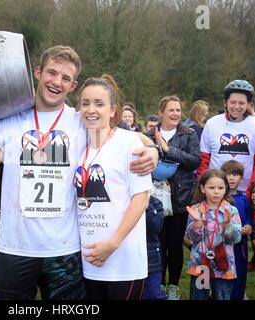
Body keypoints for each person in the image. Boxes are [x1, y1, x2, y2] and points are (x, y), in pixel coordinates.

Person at [0, 45, 158, 300]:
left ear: (73, 85)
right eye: (52, 73)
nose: (57, 82)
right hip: (15, 249)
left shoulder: (80, 120)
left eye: (65, 78)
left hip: (64, 251)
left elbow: (120, 136)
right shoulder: (8, 120)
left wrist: (151, 148)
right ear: (38, 72)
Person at [73, 75, 151, 300]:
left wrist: (113, 243)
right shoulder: (81, 148)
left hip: (123, 261)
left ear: (112, 110)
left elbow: (141, 199)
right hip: (90, 262)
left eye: (99, 104)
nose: (91, 109)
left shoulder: (129, 143)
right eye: (85, 103)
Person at [146, 95, 201, 300]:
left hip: (180, 198)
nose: (176, 114)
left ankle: (174, 286)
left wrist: (170, 150)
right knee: (157, 243)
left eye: (178, 110)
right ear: (161, 112)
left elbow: (195, 161)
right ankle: (158, 283)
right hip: (155, 199)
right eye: (171, 110)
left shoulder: (189, 134)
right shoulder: (149, 134)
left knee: (175, 245)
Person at [186, 169, 242, 300]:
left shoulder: (231, 211)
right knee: (199, 296)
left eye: (220, 187)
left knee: (221, 296)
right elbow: (191, 239)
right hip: (200, 264)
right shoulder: (196, 210)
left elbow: (236, 239)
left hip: (223, 265)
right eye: (211, 187)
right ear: (202, 188)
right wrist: (197, 223)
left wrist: (228, 225)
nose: (216, 191)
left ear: (225, 189)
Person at [198, 80, 255, 193]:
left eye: (241, 103)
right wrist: (203, 187)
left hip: (244, 191)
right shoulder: (212, 123)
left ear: (248, 104)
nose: (237, 106)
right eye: (232, 102)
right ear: (225, 103)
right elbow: (204, 160)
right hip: (215, 191)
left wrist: (252, 190)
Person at [220, 160, 252, 299]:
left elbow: (249, 216)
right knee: (226, 275)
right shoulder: (220, 198)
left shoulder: (244, 199)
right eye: (228, 174)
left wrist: (249, 226)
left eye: (235, 174)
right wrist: (238, 229)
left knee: (240, 273)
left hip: (241, 246)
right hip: (225, 246)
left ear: (241, 177)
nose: (232, 178)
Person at [142, 195, 166, 300]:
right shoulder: (120, 200)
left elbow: (157, 226)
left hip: (150, 259)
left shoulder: (155, 203)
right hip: (127, 258)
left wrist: (147, 205)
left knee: (153, 293)